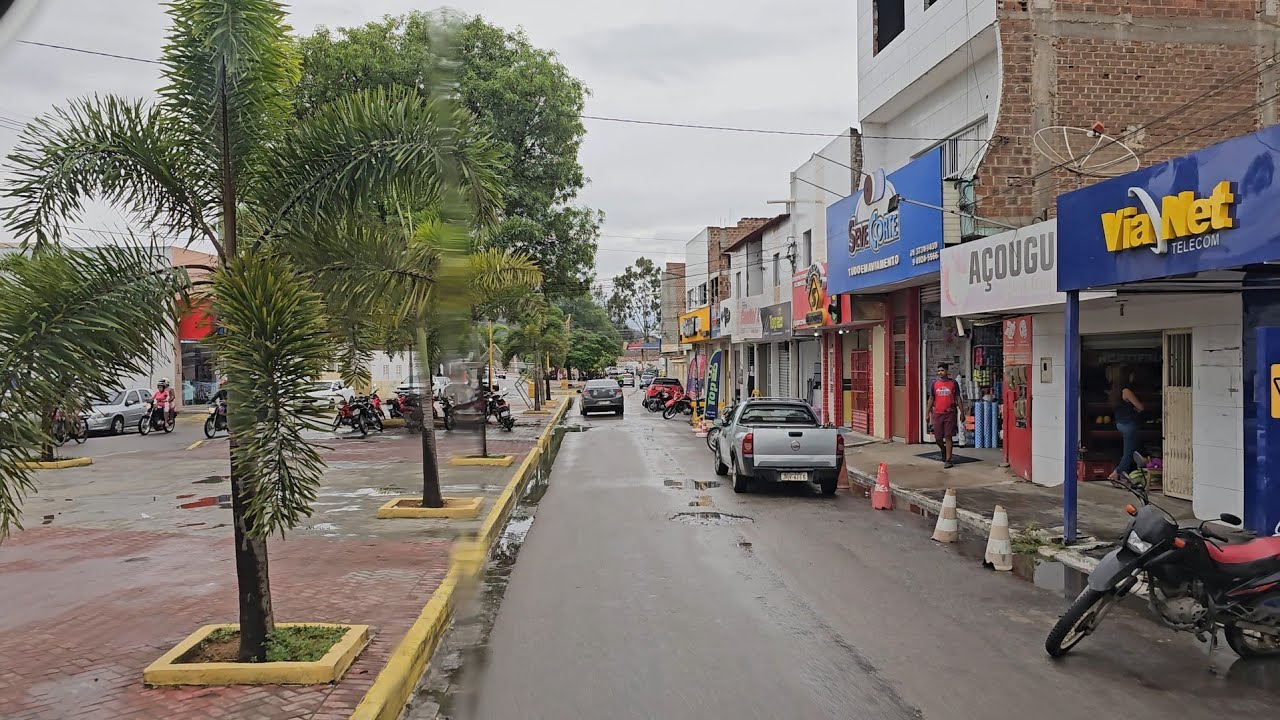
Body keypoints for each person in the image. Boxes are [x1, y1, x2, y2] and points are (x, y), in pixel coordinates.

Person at [1107, 365, 1145, 482]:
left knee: (1131, 449)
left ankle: (1125, 475)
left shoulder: (1115, 391)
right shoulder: (1126, 391)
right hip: (1129, 424)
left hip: (1120, 423)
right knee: (1129, 452)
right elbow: (1141, 407)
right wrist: (1136, 409)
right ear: (1129, 376)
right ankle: (1116, 473)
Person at [927, 362, 963, 468]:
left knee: (948, 437)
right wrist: (927, 413)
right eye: (938, 371)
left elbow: (958, 398)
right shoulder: (934, 384)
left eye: (942, 370)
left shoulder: (953, 383)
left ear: (947, 371)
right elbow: (931, 399)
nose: (940, 373)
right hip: (937, 414)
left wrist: (962, 412)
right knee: (938, 438)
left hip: (950, 413)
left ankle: (948, 460)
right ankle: (943, 449)